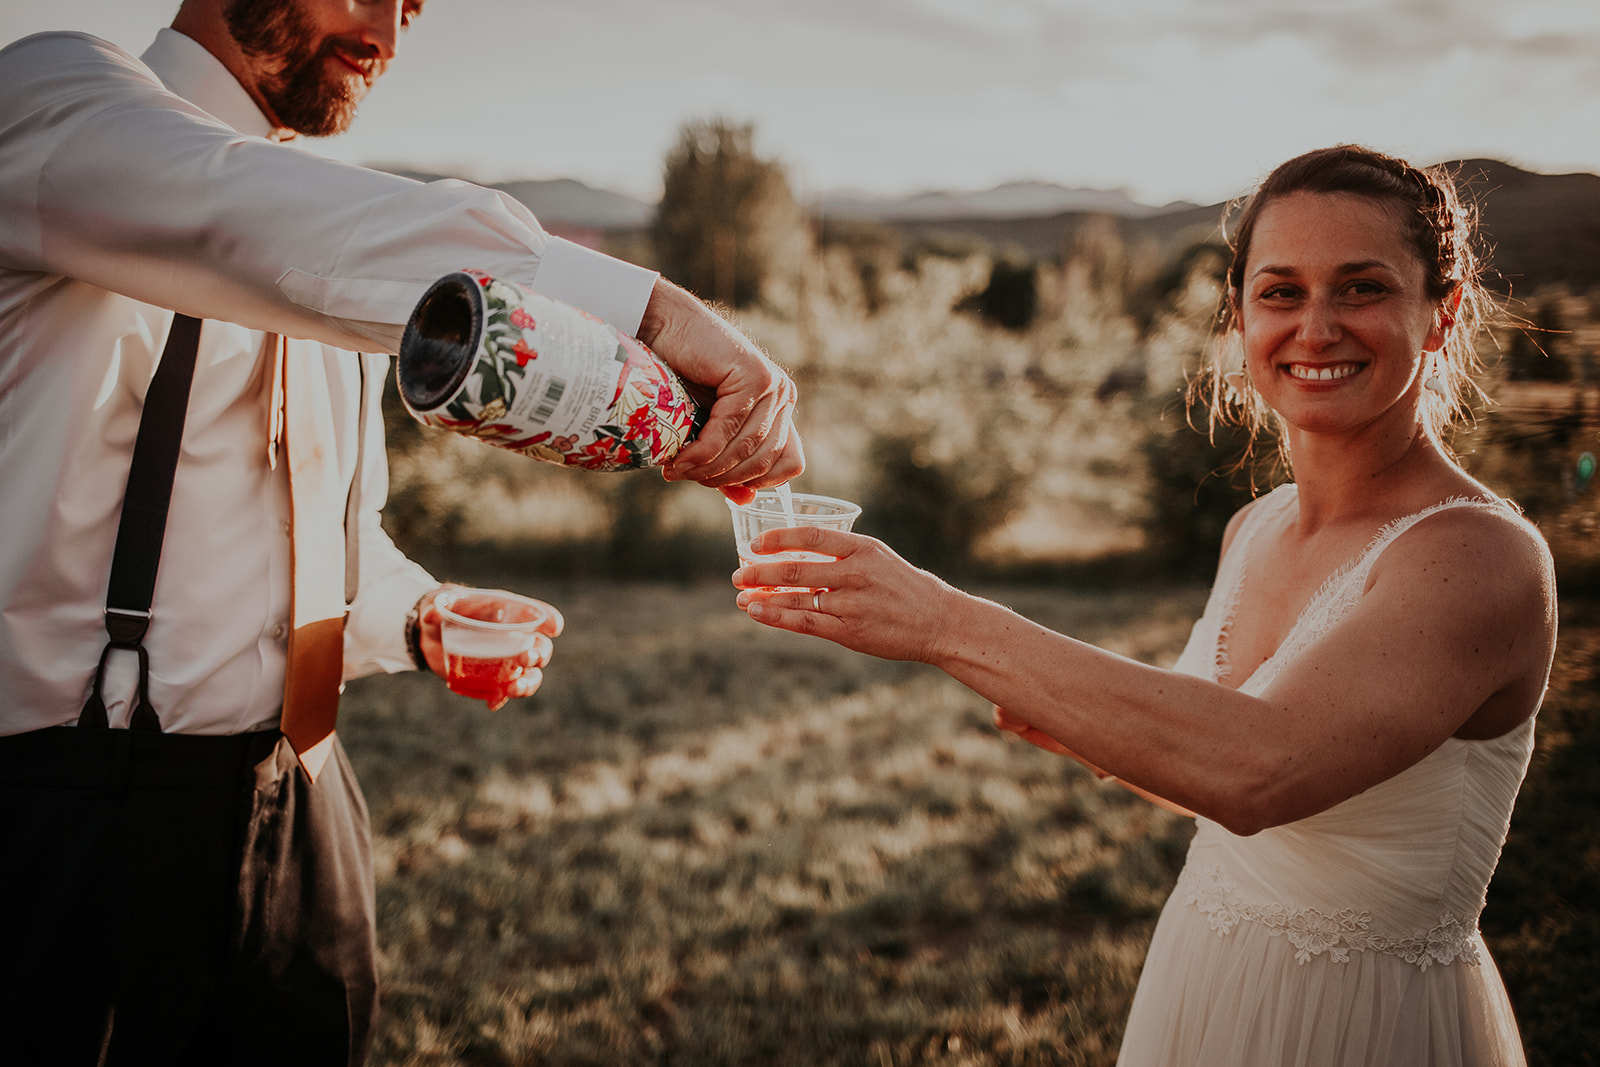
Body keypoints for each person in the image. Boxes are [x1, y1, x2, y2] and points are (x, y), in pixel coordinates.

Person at [0, 1, 801, 1063]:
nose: (384, 28)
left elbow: (328, 535)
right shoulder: (54, 104)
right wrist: (647, 313)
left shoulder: (338, 251)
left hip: (306, 806)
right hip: (79, 821)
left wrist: (419, 615)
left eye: (412, 5)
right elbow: (228, 210)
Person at [733, 145, 1555, 1065]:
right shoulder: (1255, 527)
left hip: (1368, 1022)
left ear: (1439, 317)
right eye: (1280, 292)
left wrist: (941, 621)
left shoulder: (1480, 556)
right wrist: (1086, 725)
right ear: (1239, 316)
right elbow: (1208, 776)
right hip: (1203, 980)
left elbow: (1262, 770)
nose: (1315, 327)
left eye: (1361, 288)